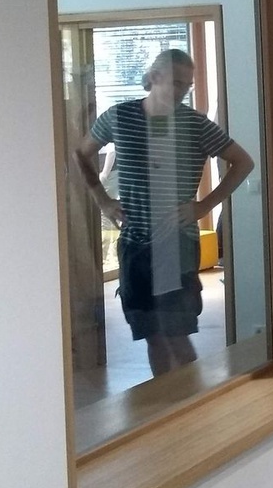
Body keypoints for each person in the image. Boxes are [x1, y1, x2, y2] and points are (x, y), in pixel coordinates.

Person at [74, 48, 255, 377]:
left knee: (177, 334)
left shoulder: (196, 124)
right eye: (176, 83)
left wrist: (203, 206)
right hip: (135, 244)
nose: (182, 91)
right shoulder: (119, 117)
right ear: (154, 77)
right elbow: (82, 154)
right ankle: (166, 398)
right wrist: (102, 199)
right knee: (152, 335)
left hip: (176, 244)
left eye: (187, 85)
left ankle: (192, 401)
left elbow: (243, 162)